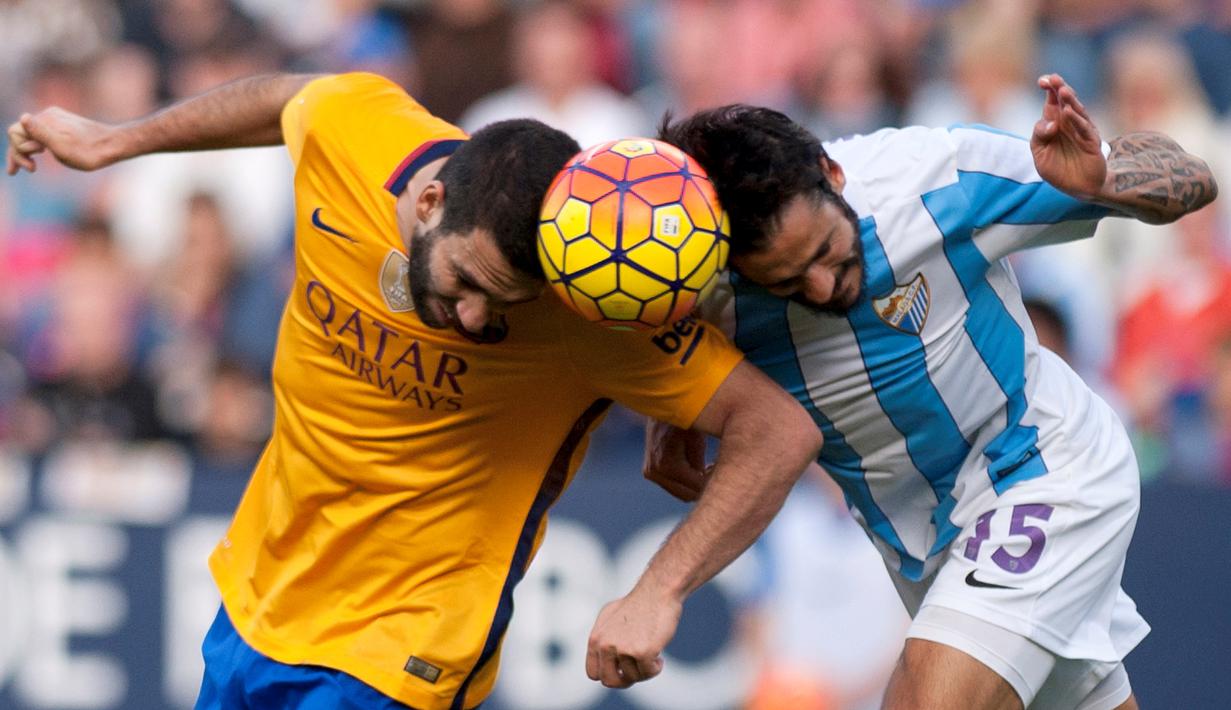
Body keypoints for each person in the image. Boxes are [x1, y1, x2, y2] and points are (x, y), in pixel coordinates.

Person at [6, 71, 822, 709]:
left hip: (402, 649)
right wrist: (117, 140)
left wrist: (660, 590)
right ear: (429, 201)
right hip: (259, 597)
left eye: (502, 304)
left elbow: (777, 431)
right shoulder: (357, 131)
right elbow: (287, 100)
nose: (475, 317)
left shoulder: (577, 308)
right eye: (468, 282)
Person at [641, 74, 1217, 709]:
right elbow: (671, 344)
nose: (824, 288)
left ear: (832, 174)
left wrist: (1104, 181)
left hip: (1042, 467)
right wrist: (673, 413)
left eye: (827, 251)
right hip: (925, 545)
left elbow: (1193, 179)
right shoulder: (706, 286)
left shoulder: (931, 178)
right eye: (787, 282)